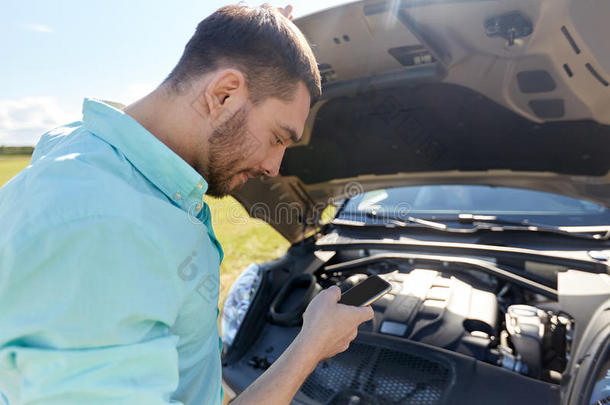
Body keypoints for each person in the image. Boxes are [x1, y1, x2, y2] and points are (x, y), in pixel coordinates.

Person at [0, 4, 373, 405]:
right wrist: (311, 347)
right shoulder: (105, 227)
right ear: (223, 94)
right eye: (278, 137)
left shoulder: (93, 154)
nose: (274, 166)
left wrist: (265, 33)